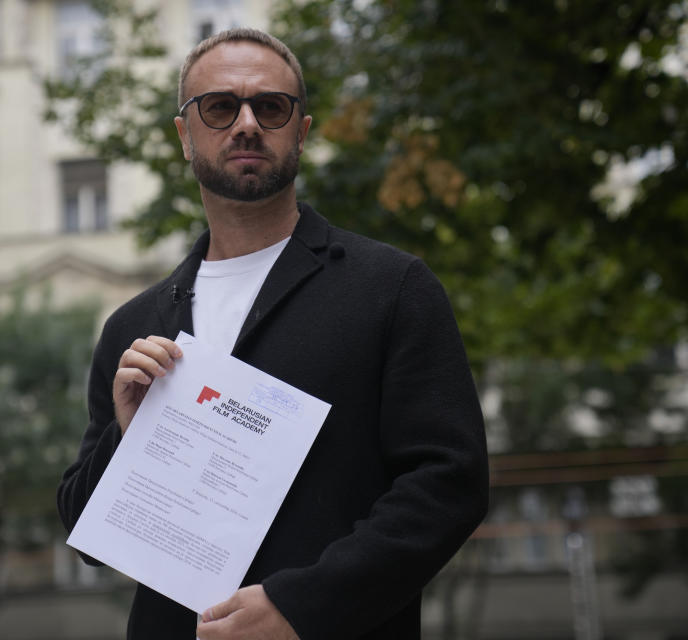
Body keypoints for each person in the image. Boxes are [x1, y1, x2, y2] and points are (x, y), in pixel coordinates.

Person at [57, 27, 489, 640]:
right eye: (219, 106)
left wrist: (303, 606)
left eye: (271, 106)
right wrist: (130, 437)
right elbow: (86, 537)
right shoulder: (135, 328)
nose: (246, 123)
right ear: (185, 135)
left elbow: (450, 484)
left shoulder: (391, 288)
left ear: (302, 132)